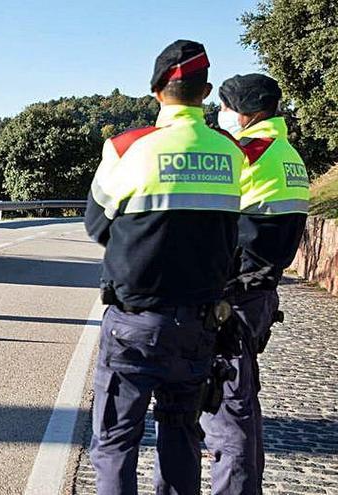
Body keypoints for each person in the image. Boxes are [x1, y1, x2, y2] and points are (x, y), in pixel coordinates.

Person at [84, 40, 248, 494]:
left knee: (116, 443)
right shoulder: (230, 151)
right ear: (207, 90)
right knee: (181, 439)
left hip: (134, 324)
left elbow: (97, 225)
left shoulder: (125, 148)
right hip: (198, 326)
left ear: (156, 90)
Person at [201, 74, 310, 495]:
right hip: (262, 289)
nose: (220, 114)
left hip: (236, 294)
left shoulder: (247, 153)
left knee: (226, 410)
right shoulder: (286, 152)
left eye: (225, 108)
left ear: (249, 114)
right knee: (242, 403)